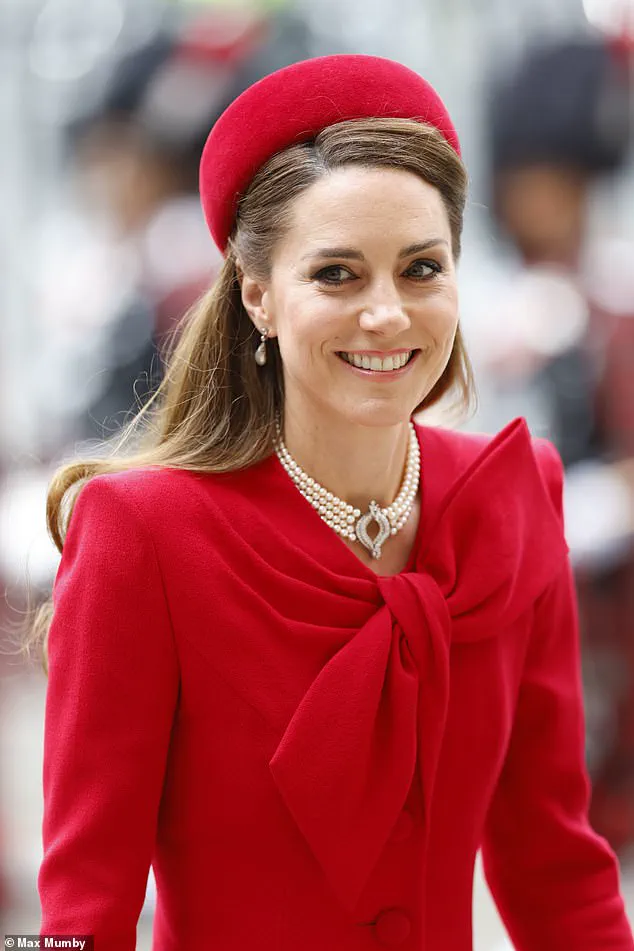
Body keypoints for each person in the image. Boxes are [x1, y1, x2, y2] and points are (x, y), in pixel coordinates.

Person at [31, 55, 634, 950]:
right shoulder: (140, 534)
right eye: (339, 275)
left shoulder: (515, 495)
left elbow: (558, 872)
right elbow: (83, 916)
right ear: (257, 295)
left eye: (421, 268)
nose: (387, 313)